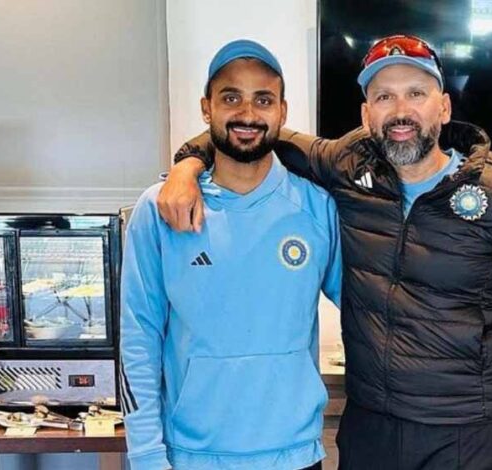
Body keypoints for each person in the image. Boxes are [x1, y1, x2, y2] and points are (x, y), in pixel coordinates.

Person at [160, 34, 492, 470]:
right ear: (366, 115)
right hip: (371, 426)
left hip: (466, 432)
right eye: (384, 96)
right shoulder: (347, 166)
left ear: (444, 107)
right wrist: (187, 165)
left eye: (416, 93)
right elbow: (252, 129)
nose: (400, 111)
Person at [119, 39, 341, 470]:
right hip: (191, 457)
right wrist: (146, 455)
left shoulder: (317, 208)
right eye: (231, 98)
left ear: (282, 112)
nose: (247, 113)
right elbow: (138, 339)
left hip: (294, 454)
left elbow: (366, 309)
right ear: (207, 109)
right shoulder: (160, 209)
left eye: (263, 99)